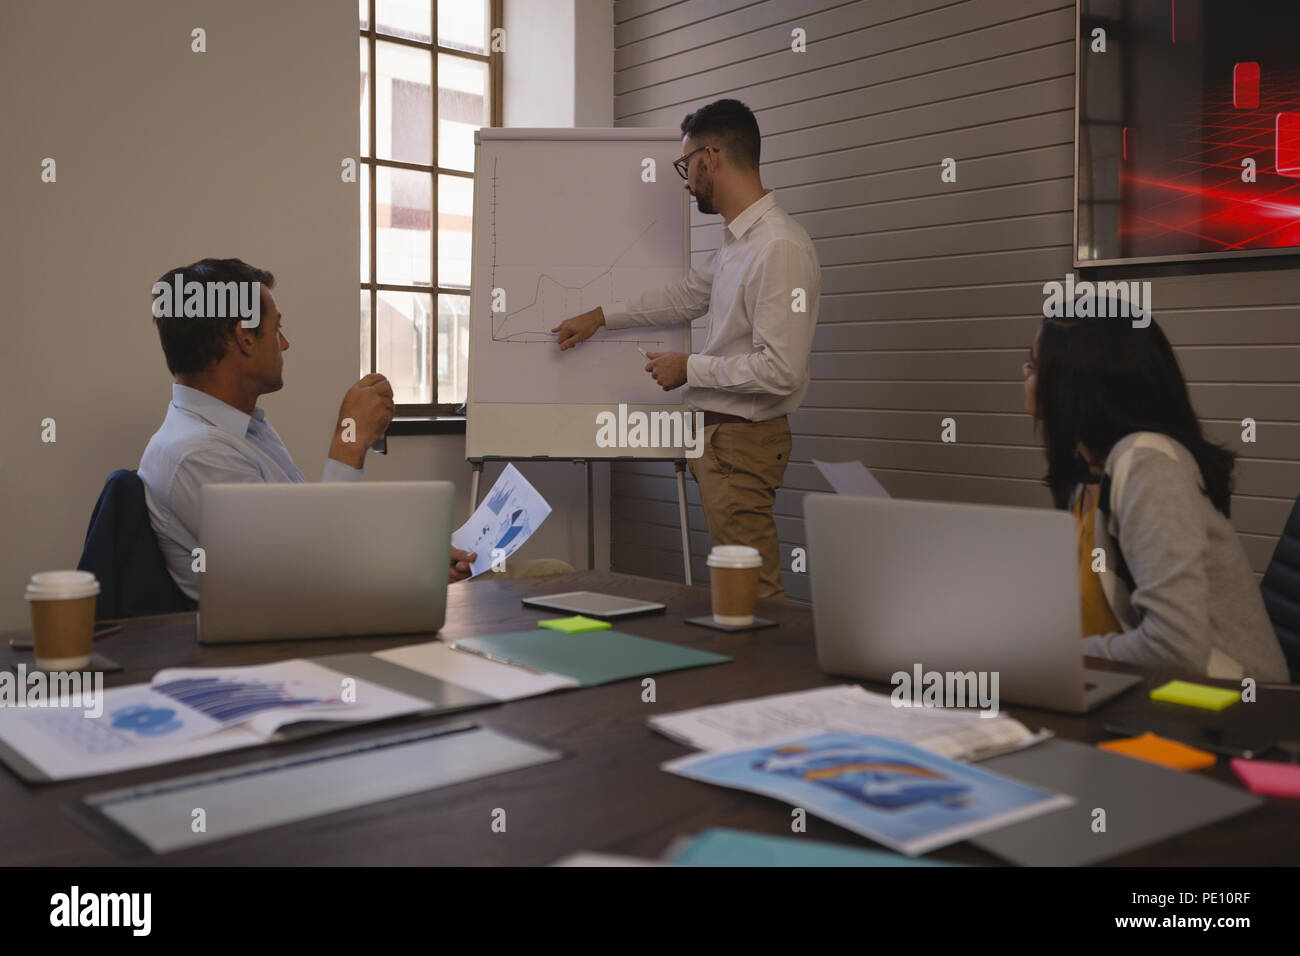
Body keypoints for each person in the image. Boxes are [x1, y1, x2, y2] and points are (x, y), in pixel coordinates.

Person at [552, 99, 821, 599]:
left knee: (756, 597)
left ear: (711, 158)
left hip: (743, 442)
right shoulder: (739, 243)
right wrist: (599, 317)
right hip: (723, 446)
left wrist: (689, 368)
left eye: (686, 165)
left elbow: (782, 371)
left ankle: (773, 679)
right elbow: (685, 296)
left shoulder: (778, 247)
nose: (685, 179)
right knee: (741, 593)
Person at [139, 257, 476, 599]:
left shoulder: (243, 429)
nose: (284, 343)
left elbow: (306, 536)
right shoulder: (199, 455)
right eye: (276, 329)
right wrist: (350, 437)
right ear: (245, 339)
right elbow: (307, 579)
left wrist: (415, 559)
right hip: (276, 646)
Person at [1023, 315, 1287, 681]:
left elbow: (1174, 649)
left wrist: (1053, 656)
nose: (1026, 374)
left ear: (1077, 380)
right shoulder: (1087, 474)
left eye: (1035, 365)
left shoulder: (1146, 462)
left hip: (1230, 707)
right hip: (1137, 689)